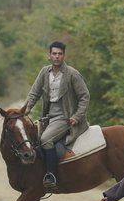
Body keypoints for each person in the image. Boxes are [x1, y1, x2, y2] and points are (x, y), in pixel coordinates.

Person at [23, 41, 90, 188]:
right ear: (49, 55)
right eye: (54, 53)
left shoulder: (72, 74)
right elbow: (34, 93)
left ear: (64, 55)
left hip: (65, 117)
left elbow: (85, 97)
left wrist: (76, 117)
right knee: (31, 137)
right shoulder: (44, 72)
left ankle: (51, 175)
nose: (57, 56)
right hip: (48, 116)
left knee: (46, 139)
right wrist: (24, 110)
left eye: (60, 54)